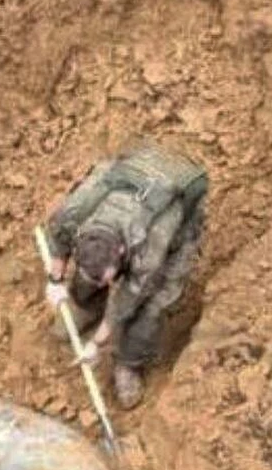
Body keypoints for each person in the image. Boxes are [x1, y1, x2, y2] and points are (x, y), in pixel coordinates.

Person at [43, 140, 207, 409]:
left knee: (154, 303)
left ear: (121, 250)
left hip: (176, 196)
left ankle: (129, 362)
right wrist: (55, 280)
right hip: (136, 172)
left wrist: (97, 343)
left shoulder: (150, 247)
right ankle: (85, 307)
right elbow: (59, 237)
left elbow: (128, 298)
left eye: (109, 279)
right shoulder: (77, 213)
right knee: (89, 275)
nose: (109, 284)